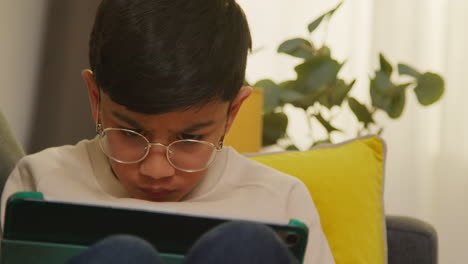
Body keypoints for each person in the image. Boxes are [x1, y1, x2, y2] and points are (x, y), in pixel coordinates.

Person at [1, 0, 335, 263]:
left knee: (244, 245)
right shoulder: (43, 181)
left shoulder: (279, 200)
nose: (156, 170)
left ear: (232, 113)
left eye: (190, 139)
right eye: (130, 134)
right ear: (95, 98)